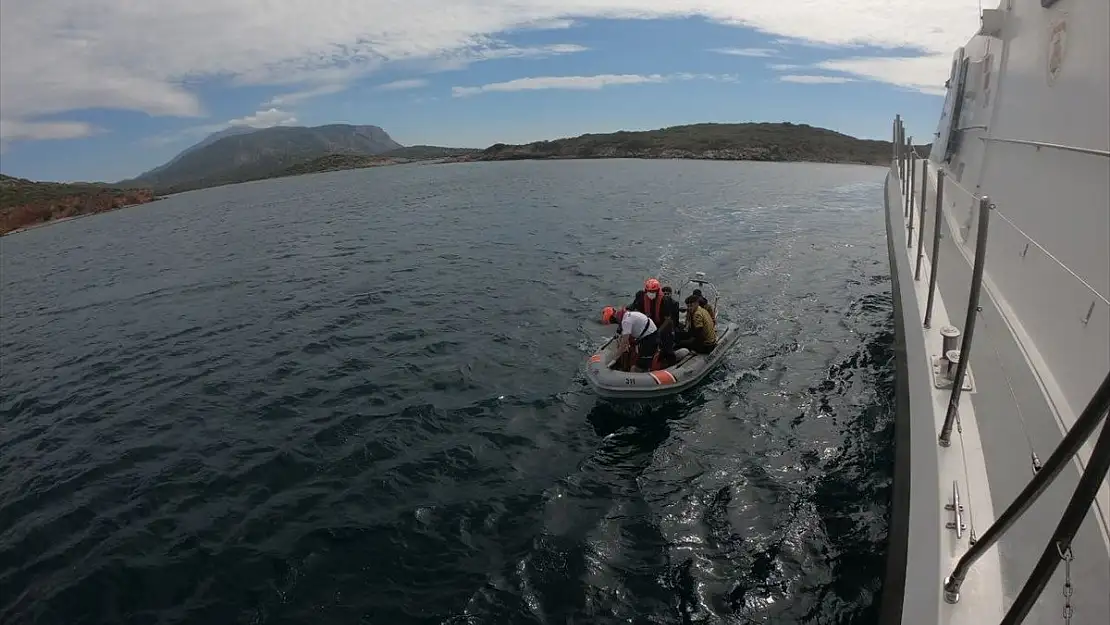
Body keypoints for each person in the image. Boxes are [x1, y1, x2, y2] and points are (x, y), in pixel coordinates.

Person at [605, 307, 660, 372]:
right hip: (647, 334)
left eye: (612, 321)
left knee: (636, 368)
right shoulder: (627, 315)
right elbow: (625, 337)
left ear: (613, 317)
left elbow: (624, 343)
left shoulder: (626, 321)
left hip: (650, 338)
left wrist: (614, 359)